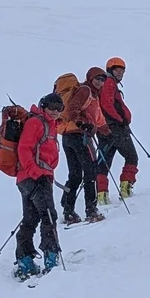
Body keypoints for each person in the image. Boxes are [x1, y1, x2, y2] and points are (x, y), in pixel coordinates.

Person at [14, 93, 65, 280]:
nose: (56, 112)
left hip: (27, 177)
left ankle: (24, 258)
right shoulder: (36, 123)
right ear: (44, 106)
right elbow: (24, 148)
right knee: (49, 215)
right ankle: (51, 258)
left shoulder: (51, 125)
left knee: (31, 217)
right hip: (35, 176)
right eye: (52, 107)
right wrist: (37, 173)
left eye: (60, 109)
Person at [54, 73, 109, 224]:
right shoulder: (85, 90)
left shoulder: (88, 93)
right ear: (90, 78)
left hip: (67, 136)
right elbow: (73, 109)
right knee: (90, 172)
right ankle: (91, 210)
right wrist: (82, 124)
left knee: (75, 174)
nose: (100, 82)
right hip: (80, 136)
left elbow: (95, 116)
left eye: (103, 79)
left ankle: (68, 210)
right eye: (97, 79)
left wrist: (104, 129)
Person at [92, 57, 139, 203]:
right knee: (131, 157)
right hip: (116, 128)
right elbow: (107, 105)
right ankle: (125, 189)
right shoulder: (109, 83)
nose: (120, 73)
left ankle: (101, 195)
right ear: (111, 70)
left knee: (104, 161)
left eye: (122, 71)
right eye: (117, 70)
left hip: (103, 129)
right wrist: (121, 119)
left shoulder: (104, 83)